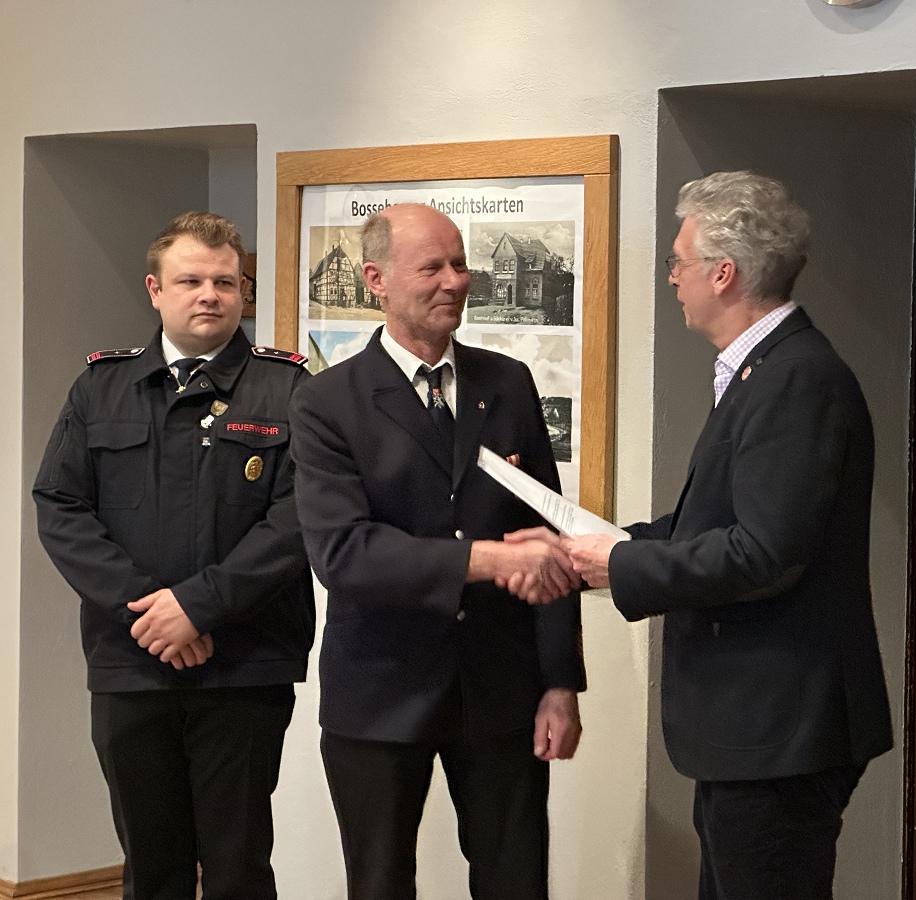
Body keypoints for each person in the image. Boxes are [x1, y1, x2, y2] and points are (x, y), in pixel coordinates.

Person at [562, 171, 892, 900]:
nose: (671, 278)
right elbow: (712, 526)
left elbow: (764, 552)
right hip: (752, 725)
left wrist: (623, 564)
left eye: (678, 262)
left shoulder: (796, 378)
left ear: (724, 273)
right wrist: (602, 547)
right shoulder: (759, 371)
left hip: (780, 724)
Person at [288, 203, 585, 900]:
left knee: (517, 882)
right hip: (379, 695)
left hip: (501, 690)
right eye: (432, 268)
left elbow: (551, 536)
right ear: (376, 280)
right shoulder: (328, 402)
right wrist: (486, 560)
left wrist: (560, 682)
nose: (454, 281)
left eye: (460, 264)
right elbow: (345, 554)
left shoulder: (506, 383)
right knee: (381, 885)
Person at [32, 211, 315, 900]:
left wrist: (198, 606)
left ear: (243, 291)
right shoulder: (101, 387)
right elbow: (61, 506)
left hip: (245, 663)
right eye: (191, 281)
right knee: (151, 866)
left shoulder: (289, 389)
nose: (210, 294)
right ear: (156, 290)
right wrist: (148, 613)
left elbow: (300, 518)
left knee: (238, 865)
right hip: (131, 662)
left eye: (226, 281)